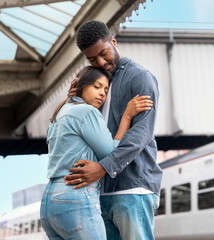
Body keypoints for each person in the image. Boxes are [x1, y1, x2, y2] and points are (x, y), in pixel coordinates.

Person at [64, 20, 163, 240]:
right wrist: (74, 101)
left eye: (103, 53)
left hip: (133, 188)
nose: (100, 62)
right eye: (92, 59)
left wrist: (102, 168)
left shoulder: (140, 77)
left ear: (114, 42)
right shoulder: (98, 84)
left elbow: (141, 134)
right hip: (101, 191)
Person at [40, 66, 153, 240]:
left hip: (49, 202)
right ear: (81, 85)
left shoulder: (59, 114)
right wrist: (127, 117)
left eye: (106, 90)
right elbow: (111, 154)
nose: (102, 93)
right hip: (75, 195)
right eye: (96, 86)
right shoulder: (87, 112)